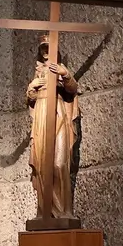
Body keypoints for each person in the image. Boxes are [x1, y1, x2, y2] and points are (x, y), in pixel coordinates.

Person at [27, 35, 80, 219]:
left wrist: (64, 74)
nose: (46, 52)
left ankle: (64, 211)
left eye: (49, 48)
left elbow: (72, 89)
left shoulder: (60, 69)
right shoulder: (38, 71)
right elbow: (31, 99)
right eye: (43, 49)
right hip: (41, 116)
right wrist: (32, 88)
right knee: (42, 164)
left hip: (58, 115)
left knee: (59, 163)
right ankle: (44, 212)